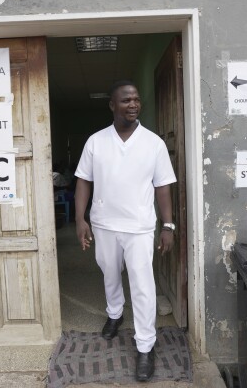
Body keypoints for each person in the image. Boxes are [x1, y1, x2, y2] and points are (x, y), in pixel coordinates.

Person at [74, 80, 176, 382]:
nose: (133, 105)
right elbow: (83, 181)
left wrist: (167, 225)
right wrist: (80, 219)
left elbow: (163, 187)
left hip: (140, 226)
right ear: (112, 105)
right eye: (126, 100)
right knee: (109, 271)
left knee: (142, 284)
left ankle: (145, 346)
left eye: (136, 100)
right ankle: (115, 313)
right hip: (104, 222)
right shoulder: (96, 141)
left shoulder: (153, 143)